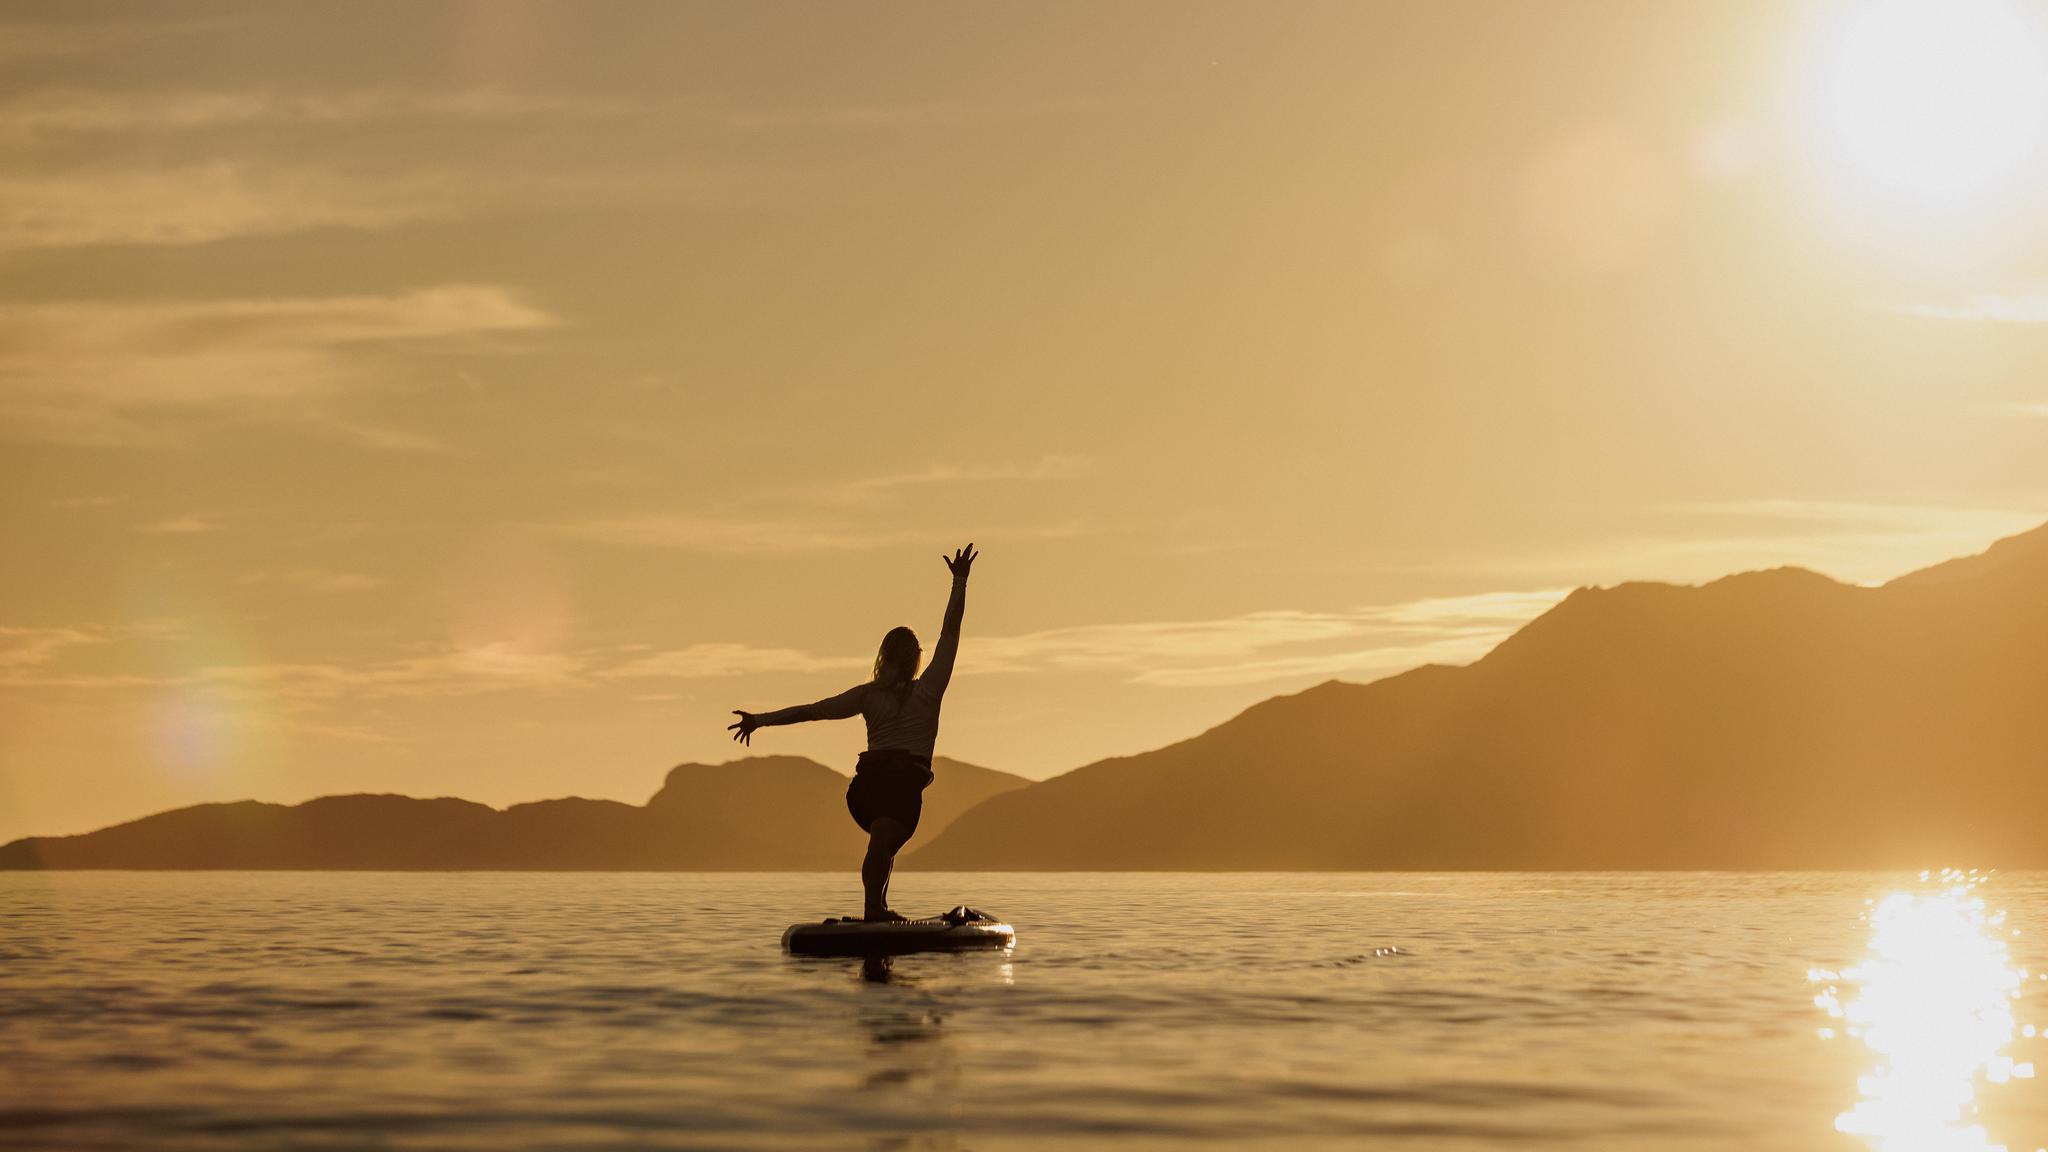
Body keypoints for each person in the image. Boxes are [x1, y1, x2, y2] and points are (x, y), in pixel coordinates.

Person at [729, 543, 977, 922]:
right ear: (915, 661)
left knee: (883, 845)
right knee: (882, 846)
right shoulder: (927, 691)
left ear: (883, 656)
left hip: (865, 793)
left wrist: (760, 720)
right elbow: (950, 635)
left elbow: (811, 712)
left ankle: (876, 909)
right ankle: (873, 912)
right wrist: (959, 582)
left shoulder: (867, 696)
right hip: (899, 788)